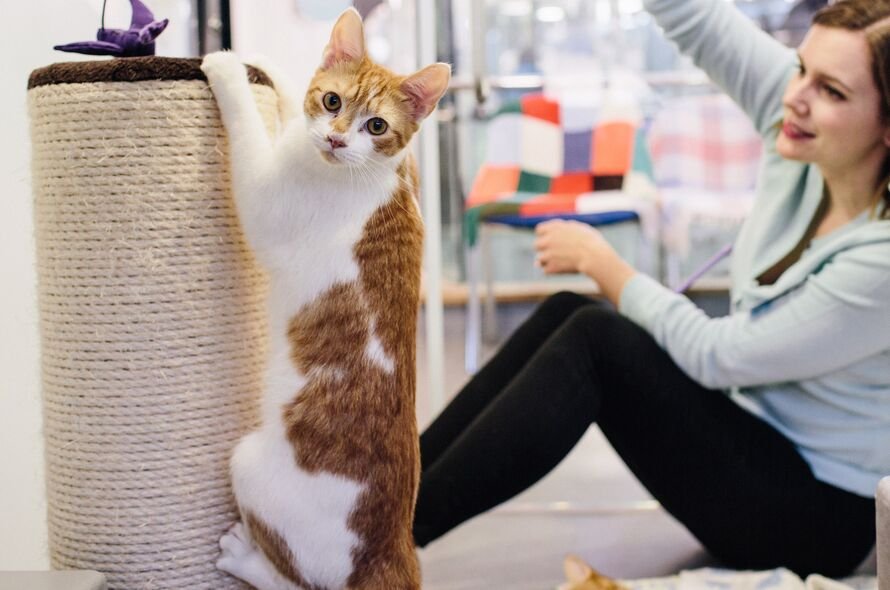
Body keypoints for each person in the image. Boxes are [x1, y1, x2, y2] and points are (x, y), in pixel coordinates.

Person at [413, 0, 890, 577]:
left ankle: (383, 538)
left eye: (832, 91)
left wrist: (605, 264)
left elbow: (722, 355)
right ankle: (384, 500)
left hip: (821, 518)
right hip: (758, 442)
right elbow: (695, 17)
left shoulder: (881, 258)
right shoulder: (799, 123)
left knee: (596, 341)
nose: (797, 95)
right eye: (799, 68)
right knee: (569, 311)